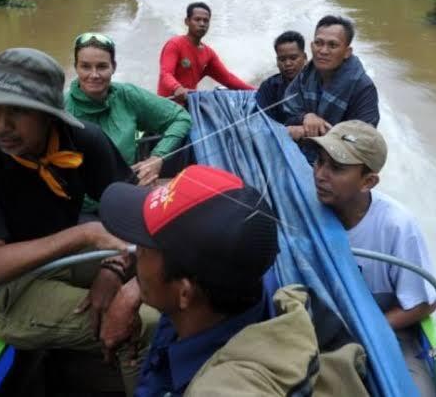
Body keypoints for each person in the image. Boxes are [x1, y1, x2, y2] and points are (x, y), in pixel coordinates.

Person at [0, 48, 156, 395]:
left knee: (165, 283)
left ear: (49, 115)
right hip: (5, 291)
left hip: (62, 258)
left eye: (19, 111)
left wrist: (116, 269)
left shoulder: (84, 140)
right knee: (147, 326)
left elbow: (141, 218)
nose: (1, 125)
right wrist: (85, 234)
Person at [98, 164, 369, 396]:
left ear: (184, 293)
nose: (134, 250)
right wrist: (136, 287)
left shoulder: (222, 387)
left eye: (144, 248)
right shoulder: (246, 281)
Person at [305, 120, 436, 396]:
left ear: (369, 181)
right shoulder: (307, 208)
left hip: (384, 324)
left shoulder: (397, 227)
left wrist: (365, 327)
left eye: (336, 168)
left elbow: (423, 304)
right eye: (319, 162)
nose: (320, 174)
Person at [65, 32, 192, 195]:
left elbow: (180, 117)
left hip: (126, 195)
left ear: (113, 67)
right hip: (80, 206)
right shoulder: (60, 107)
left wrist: (157, 158)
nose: (94, 75)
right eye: (85, 66)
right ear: (76, 67)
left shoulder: (128, 96)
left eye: (102, 66)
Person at [281, 15, 379, 141]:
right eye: (318, 43)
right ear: (311, 46)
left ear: (347, 52)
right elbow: (289, 111)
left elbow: (364, 140)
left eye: (332, 45)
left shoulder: (363, 88)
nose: (323, 51)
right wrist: (306, 117)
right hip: (305, 146)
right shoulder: (306, 74)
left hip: (338, 157)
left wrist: (312, 131)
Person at [157, 2, 255, 105]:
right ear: (187, 22)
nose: (202, 24)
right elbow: (165, 74)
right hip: (166, 104)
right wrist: (177, 88)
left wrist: (256, 91)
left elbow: (228, 79)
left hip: (189, 104)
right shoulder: (175, 44)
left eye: (206, 21)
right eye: (197, 19)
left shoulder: (208, 54)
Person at [256, 30, 307, 124]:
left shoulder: (317, 84)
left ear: (304, 57)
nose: (287, 64)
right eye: (282, 59)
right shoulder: (268, 87)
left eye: (293, 58)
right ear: (277, 61)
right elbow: (264, 123)